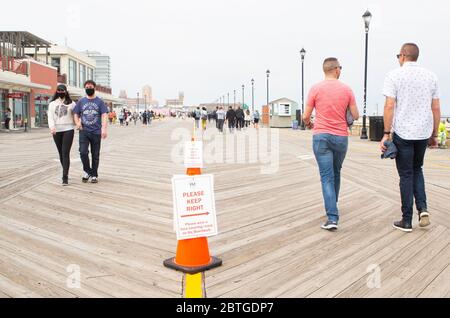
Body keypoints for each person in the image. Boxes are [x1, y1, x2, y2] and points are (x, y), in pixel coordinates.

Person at [381, 43, 441, 232]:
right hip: (423, 132)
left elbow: (389, 106)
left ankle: (406, 220)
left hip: (404, 133)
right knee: (417, 169)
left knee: (406, 174)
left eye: (398, 55)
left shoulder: (394, 75)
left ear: (403, 56)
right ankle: (422, 209)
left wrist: (385, 133)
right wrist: (433, 134)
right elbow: (436, 108)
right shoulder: (431, 76)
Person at [303, 57, 359, 231]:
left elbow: (306, 116)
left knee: (327, 176)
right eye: (340, 67)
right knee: (336, 172)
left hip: (321, 136)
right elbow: (356, 115)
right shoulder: (347, 89)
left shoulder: (315, 89)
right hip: (341, 137)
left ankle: (332, 216)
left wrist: (309, 124)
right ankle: (332, 204)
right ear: (336, 69)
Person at [73, 80, 108, 184]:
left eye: (91, 86)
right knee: (83, 152)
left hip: (96, 131)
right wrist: (77, 123)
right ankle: (87, 171)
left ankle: (94, 175)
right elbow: (76, 113)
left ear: (94, 88)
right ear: (85, 88)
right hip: (84, 131)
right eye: (87, 87)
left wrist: (104, 129)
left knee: (95, 154)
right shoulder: (81, 101)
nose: (89, 88)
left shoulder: (99, 101)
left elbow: (104, 115)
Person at [47, 85, 76, 186]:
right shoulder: (52, 104)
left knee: (65, 153)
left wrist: (78, 124)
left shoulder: (72, 103)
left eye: (62, 90)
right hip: (56, 130)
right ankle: (65, 170)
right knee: (60, 153)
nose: (60, 92)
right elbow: (50, 117)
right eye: (58, 90)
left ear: (66, 91)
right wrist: (52, 127)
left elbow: (76, 115)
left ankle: (65, 177)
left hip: (68, 129)